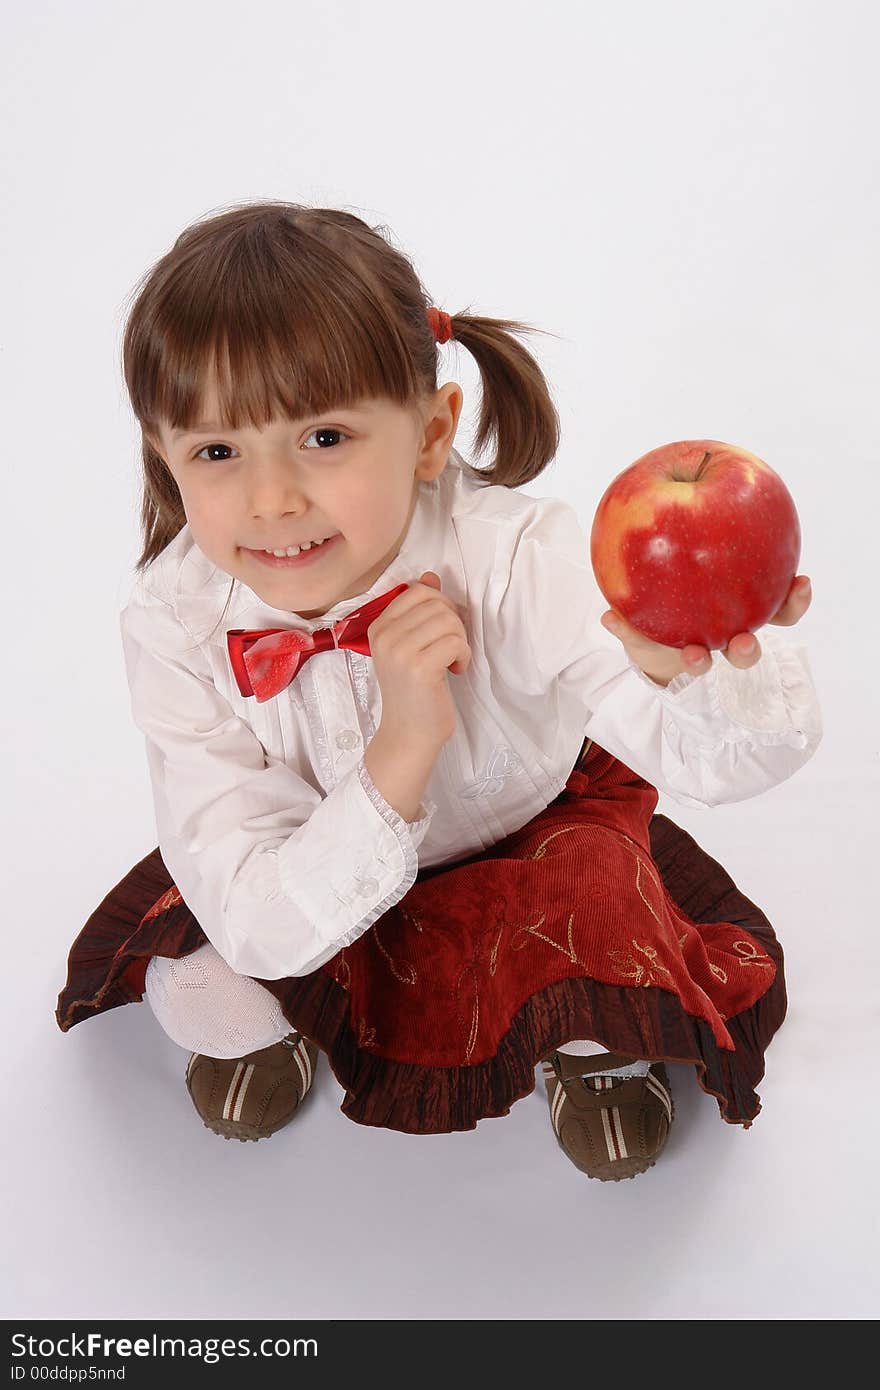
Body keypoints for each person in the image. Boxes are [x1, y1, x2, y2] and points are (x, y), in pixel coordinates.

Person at [55, 201, 821, 1181]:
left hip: (522, 833)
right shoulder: (177, 626)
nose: (272, 499)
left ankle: (581, 1040)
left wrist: (700, 668)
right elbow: (252, 901)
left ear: (429, 433)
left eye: (324, 438)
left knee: (597, 922)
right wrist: (400, 749)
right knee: (209, 988)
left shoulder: (516, 557)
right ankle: (300, 1018)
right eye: (217, 452)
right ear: (164, 455)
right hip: (315, 858)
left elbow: (702, 761)